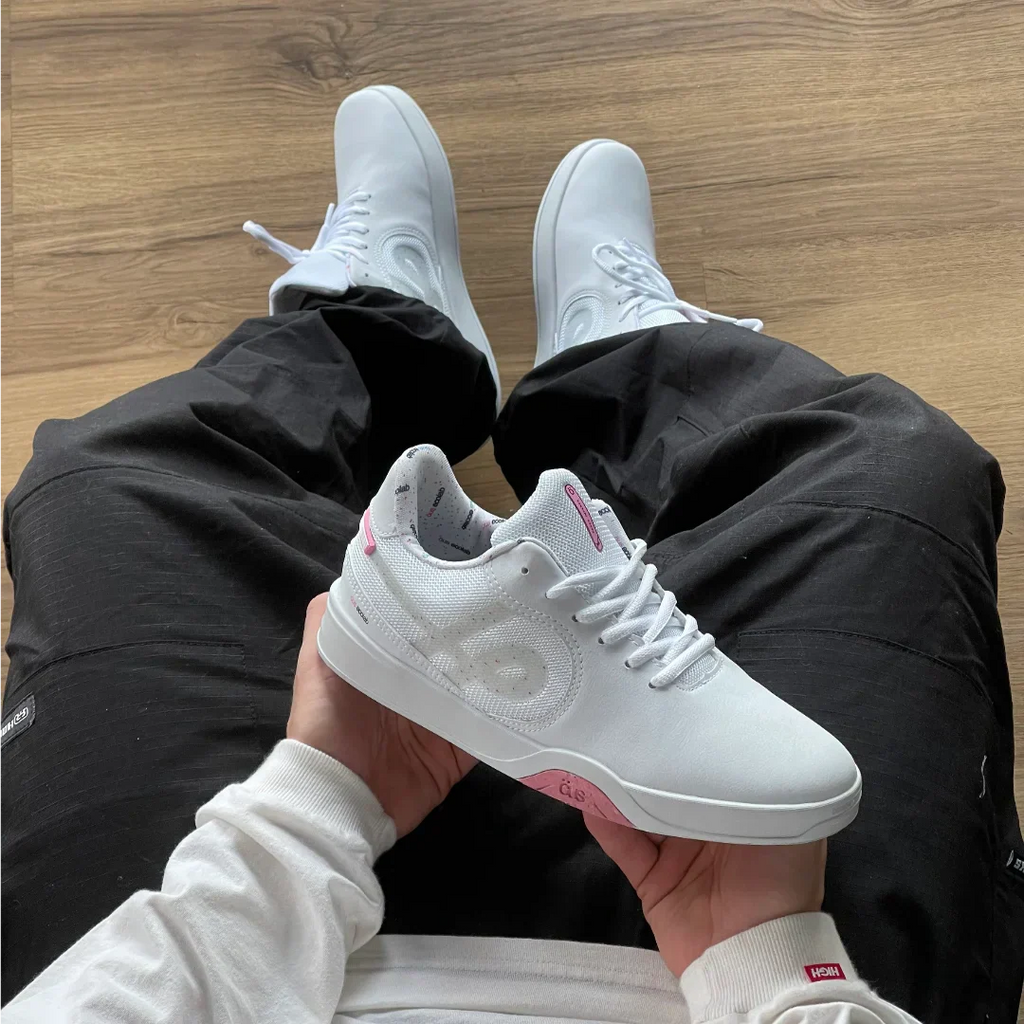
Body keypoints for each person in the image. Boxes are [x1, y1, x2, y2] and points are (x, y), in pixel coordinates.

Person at [0, 84, 1020, 1023]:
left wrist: (307, 816)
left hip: (217, 968)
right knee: (888, 462)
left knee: (109, 477)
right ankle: (627, 361)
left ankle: (376, 324)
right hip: (715, 984)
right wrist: (763, 967)